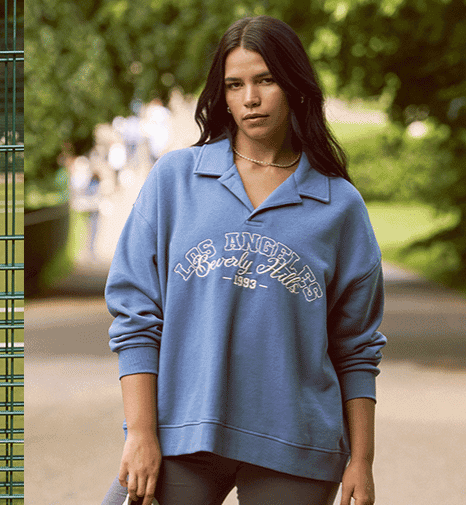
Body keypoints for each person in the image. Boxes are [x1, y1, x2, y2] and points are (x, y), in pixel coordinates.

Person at [100, 16, 385, 505]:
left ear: (294, 87)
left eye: (265, 80)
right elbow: (136, 317)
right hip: (182, 432)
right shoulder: (176, 180)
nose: (249, 98)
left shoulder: (339, 205)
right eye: (235, 85)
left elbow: (356, 346)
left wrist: (362, 461)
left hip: (297, 442)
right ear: (223, 95)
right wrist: (141, 434)